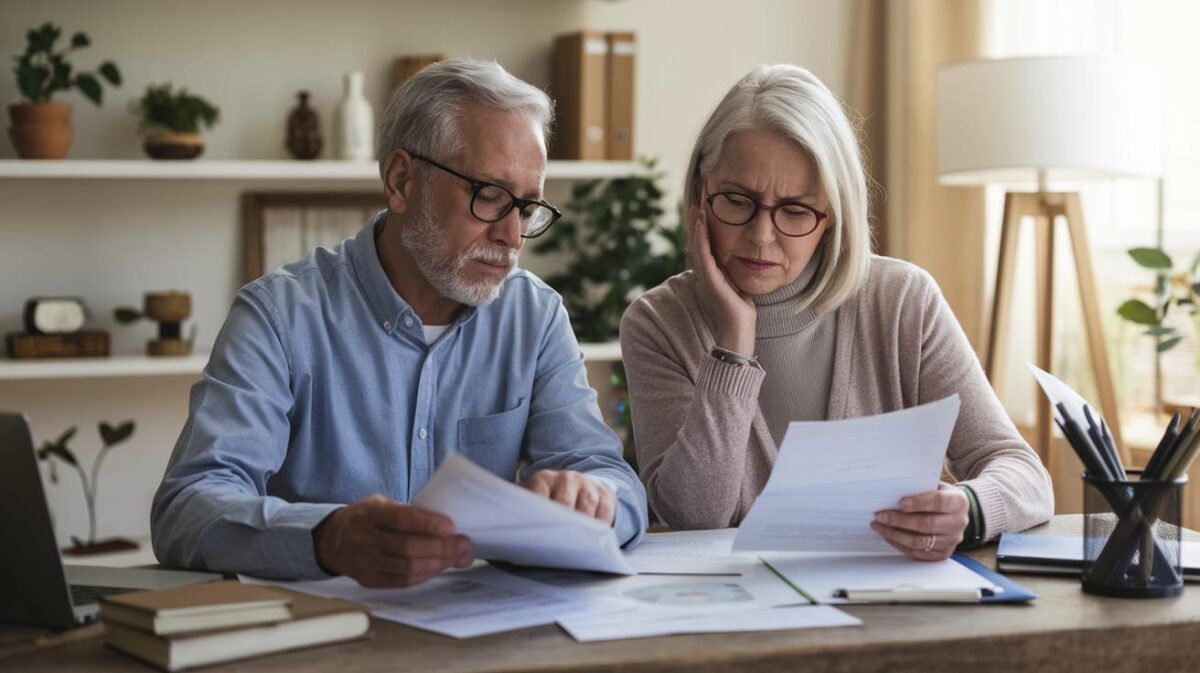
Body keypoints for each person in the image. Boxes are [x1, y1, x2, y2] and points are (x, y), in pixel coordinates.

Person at [152, 59, 648, 587]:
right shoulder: (279, 317)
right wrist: (327, 537)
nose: (511, 235)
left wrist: (596, 499)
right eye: (489, 195)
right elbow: (187, 508)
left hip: (482, 640)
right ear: (402, 182)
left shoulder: (535, 317)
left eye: (526, 207)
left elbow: (612, 478)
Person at [619, 64, 1053, 560]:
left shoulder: (902, 301)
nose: (762, 236)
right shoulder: (657, 323)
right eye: (737, 201)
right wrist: (734, 341)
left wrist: (970, 507)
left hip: (885, 609)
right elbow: (694, 515)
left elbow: (1023, 473)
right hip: (738, 618)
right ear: (700, 194)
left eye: (796, 211)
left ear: (832, 216)